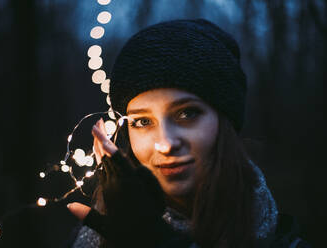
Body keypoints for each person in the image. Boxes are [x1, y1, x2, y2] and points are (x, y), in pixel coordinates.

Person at [66, 19, 310, 248]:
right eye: (142, 121)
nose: (166, 143)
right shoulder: (98, 236)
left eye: (187, 114)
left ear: (225, 121)